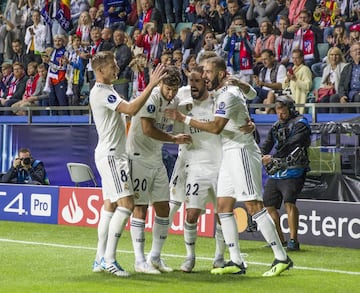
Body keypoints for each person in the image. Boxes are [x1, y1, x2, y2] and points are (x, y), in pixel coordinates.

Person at [165, 56, 293, 277]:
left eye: (207, 71)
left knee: (253, 205)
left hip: (241, 151)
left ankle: (281, 256)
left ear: (221, 74)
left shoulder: (228, 95)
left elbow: (215, 127)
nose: (204, 76)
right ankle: (236, 261)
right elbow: (252, 94)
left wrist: (182, 118)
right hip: (228, 152)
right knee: (223, 206)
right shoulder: (224, 91)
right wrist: (242, 84)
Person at [90, 51, 166, 277]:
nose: (117, 68)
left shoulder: (106, 90)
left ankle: (98, 258)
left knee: (110, 206)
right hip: (113, 156)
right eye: (112, 65)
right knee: (127, 204)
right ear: (101, 70)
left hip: (110, 153)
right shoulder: (102, 92)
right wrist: (151, 85)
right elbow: (132, 110)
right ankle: (109, 260)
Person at [126, 65, 192, 274]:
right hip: (138, 157)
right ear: (161, 84)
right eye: (168, 88)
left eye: (174, 89)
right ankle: (139, 260)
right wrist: (173, 139)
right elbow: (147, 128)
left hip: (156, 158)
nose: (171, 93)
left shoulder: (174, 99)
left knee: (163, 207)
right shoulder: (153, 96)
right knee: (141, 208)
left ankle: (155, 256)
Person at [261, 95, 311, 251]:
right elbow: (267, 143)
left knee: (289, 203)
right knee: (269, 206)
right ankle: (279, 240)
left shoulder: (301, 123)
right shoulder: (276, 125)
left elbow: (293, 143)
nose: (280, 114)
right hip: (277, 172)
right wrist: (261, 156)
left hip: (295, 170)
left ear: (290, 109)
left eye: (283, 111)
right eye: (278, 111)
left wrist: (273, 158)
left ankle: (293, 241)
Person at [329, 42, 360, 113]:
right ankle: (336, 122)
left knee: (358, 97)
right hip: (349, 93)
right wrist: (342, 95)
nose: (358, 51)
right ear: (351, 54)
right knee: (334, 98)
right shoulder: (347, 68)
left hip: (358, 94)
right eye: (355, 50)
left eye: (359, 49)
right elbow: (341, 85)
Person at [282, 49, 312, 114]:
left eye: (297, 58)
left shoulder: (305, 69)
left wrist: (295, 80)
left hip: (297, 96)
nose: (295, 60)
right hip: (289, 93)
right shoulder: (292, 69)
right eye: (293, 58)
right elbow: (283, 86)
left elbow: (307, 86)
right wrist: (287, 78)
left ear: (301, 58)